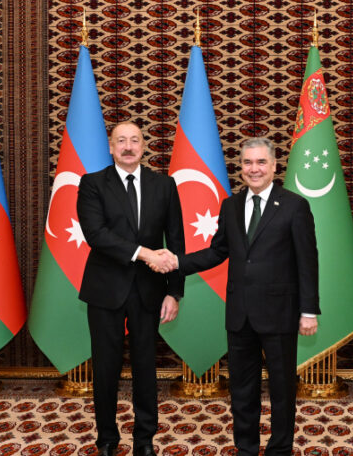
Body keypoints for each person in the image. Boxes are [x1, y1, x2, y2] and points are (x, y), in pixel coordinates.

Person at [163, 137, 320, 456]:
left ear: (274, 166)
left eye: (261, 162)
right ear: (241, 167)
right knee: (242, 390)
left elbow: (307, 261)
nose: (254, 169)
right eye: (248, 162)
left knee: (282, 389)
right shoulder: (230, 206)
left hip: (280, 313)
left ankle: (279, 450)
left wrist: (308, 311)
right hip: (239, 314)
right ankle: (246, 448)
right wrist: (178, 262)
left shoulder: (295, 206)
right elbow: (217, 252)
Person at [76, 121, 184, 456]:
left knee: (145, 368)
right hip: (105, 289)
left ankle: (144, 440)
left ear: (143, 146)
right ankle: (107, 439)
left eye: (134, 140)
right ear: (111, 147)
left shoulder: (164, 185)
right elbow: (96, 234)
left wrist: (174, 292)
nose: (127, 146)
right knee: (105, 368)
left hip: (149, 291)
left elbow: (176, 239)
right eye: (120, 140)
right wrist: (145, 254)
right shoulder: (92, 183)